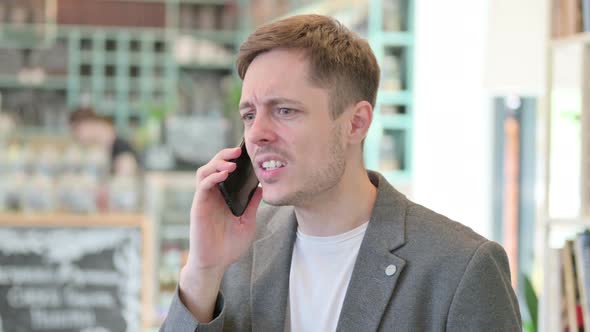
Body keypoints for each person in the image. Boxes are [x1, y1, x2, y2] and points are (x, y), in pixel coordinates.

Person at [161, 14, 521, 331]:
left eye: (285, 111)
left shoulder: (461, 269)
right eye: (250, 115)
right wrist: (203, 270)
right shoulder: (236, 255)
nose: (256, 134)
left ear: (356, 123)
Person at [69, 107, 140, 175]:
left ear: (89, 124)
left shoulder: (122, 152)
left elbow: (124, 177)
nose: (75, 135)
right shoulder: (106, 148)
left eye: (76, 129)